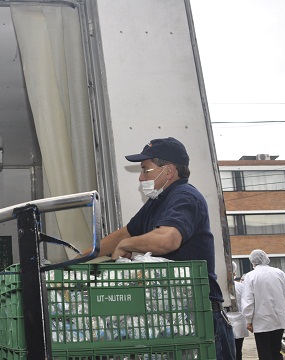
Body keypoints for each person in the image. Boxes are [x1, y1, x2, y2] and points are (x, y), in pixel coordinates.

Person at [78, 137, 236, 359]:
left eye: (145, 170)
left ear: (169, 171)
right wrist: (80, 258)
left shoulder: (185, 196)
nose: (141, 178)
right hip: (176, 315)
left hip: (198, 318)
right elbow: (123, 235)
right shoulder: (157, 202)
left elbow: (167, 239)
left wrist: (128, 245)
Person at [241, 249, 285, 360]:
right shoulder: (279, 273)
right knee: (276, 351)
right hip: (279, 319)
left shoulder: (250, 276)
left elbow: (248, 300)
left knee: (264, 352)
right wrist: (283, 309)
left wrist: (248, 319)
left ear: (253, 262)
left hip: (261, 321)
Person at [227, 263, 248, 360]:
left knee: (225, 351)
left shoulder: (218, 286)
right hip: (239, 321)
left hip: (224, 320)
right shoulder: (242, 287)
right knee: (238, 350)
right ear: (235, 272)